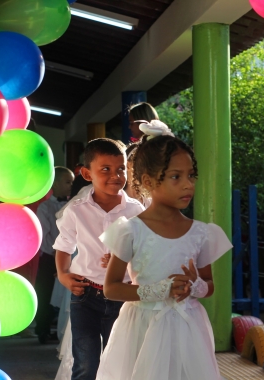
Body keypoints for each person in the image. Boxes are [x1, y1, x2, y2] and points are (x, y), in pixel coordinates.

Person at [95, 121, 232, 380]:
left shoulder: (201, 232)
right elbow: (111, 288)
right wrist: (159, 290)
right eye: (175, 176)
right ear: (148, 181)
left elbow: (209, 284)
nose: (188, 184)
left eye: (191, 175)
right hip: (142, 327)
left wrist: (195, 286)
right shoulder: (130, 230)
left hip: (187, 328)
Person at [53, 138, 145, 380]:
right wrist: (63, 275)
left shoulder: (136, 212)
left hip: (124, 297)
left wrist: (123, 258)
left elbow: (146, 251)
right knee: (85, 364)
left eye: (121, 169)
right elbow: (63, 246)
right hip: (86, 296)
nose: (115, 175)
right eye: (105, 169)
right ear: (86, 173)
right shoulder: (77, 210)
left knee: (121, 363)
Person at [34, 166, 75, 344]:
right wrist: (55, 254)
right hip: (50, 256)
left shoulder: (71, 205)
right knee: (46, 292)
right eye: (67, 182)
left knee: (61, 293)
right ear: (56, 184)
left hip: (67, 254)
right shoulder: (45, 207)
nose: (70, 186)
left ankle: (58, 327)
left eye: (72, 182)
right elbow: (43, 234)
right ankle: (42, 329)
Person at [123, 143, 152, 208]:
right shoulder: (117, 202)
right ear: (128, 165)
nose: (146, 168)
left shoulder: (151, 202)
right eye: (140, 163)